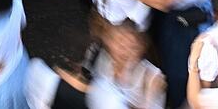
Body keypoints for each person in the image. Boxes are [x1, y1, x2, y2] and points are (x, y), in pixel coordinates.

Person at [26, 20, 167, 109]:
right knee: (40, 74)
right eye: (119, 43)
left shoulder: (151, 77)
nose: (124, 51)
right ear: (109, 42)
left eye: (132, 46)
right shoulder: (101, 57)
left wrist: (88, 89)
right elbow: (87, 83)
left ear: (142, 48)